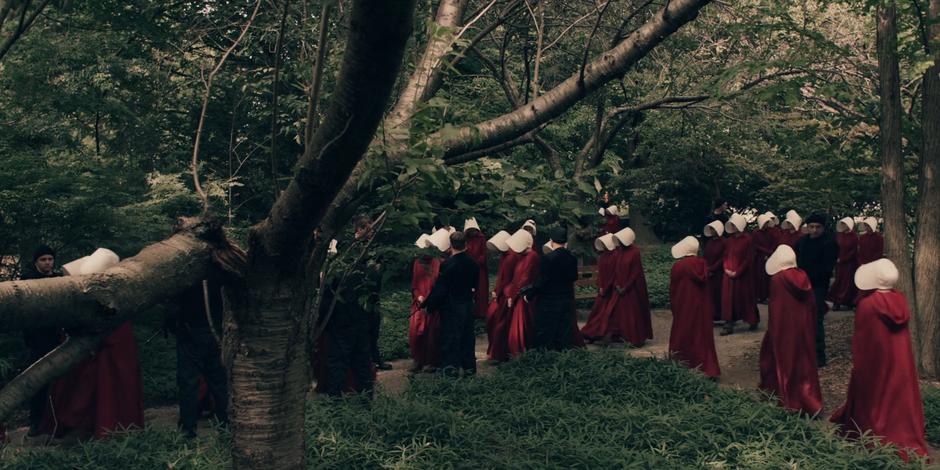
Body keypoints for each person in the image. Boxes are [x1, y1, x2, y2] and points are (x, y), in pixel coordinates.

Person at [40, 248, 145, 440]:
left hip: (107, 353)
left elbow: (115, 335)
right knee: (79, 389)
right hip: (85, 352)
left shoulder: (115, 300)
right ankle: (80, 426)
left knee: (108, 389)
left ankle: (105, 427)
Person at [830, 259, 928, 462]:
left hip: (875, 364)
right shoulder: (900, 300)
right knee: (897, 400)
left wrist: (860, 366)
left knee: (874, 398)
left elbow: (863, 341)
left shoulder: (868, 305)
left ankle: (873, 435)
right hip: (900, 364)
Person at [319, 215, 383, 396]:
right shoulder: (371, 272)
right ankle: (366, 399)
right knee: (361, 363)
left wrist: (324, 322)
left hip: (341, 322)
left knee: (338, 364)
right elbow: (374, 300)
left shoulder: (336, 273)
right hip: (360, 322)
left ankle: (335, 401)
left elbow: (326, 299)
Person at [759, 245, 823, 415]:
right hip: (803, 328)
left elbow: (776, 307)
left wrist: (774, 328)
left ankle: (790, 400)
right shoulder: (804, 277)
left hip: (783, 328)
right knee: (803, 362)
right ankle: (809, 401)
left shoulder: (778, 279)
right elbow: (811, 306)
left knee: (784, 360)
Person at [167, 267, 230, 439]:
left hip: (197, 334)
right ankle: (223, 426)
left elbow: (173, 309)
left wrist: (178, 327)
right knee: (217, 383)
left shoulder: (186, 276)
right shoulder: (219, 273)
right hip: (210, 333)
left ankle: (189, 430)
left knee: (191, 382)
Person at [421, 231, 480, 376]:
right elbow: (475, 284)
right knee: (467, 336)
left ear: (451, 245)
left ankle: (450, 369)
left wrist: (430, 305)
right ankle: (469, 368)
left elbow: (441, 289)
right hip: (467, 303)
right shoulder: (473, 263)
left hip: (452, 305)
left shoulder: (448, 264)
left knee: (450, 337)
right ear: (466, 244)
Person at [19, 244, 63, 437]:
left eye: (50, 259)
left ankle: (58, 421)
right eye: (43, 260)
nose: (47, 263)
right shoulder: (27, 279)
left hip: (58, 336)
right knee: (38, 380)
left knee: (61, 380)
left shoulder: (60, 279)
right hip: (37, 337)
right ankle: (36, 421)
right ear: (36, 262)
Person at [582, 228, 651, 347]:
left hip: (630, 289)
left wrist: (625, 286)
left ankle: (635, 338)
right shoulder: (618, 252)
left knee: (631, 314)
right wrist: (613, 285)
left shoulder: (635, 252)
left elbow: (635, 272)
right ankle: (608, 334)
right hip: (617, 287)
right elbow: (614, 271)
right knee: (613, 313)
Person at [668, 236, 720, 378]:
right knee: (702, 336)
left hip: (684, 305)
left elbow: (673, 289)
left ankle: (683, 365)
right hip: (702, 307)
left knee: (683, 334)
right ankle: (708, 368)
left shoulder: (678, 266)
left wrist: (674, 306)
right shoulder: (703, 264)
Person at [522, 227, 578, 351]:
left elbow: (541, 281)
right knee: (564, 331)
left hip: (549, 300)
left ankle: (544, 359)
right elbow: (574, 277)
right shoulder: (572, 258)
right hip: (566, 298)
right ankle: (562, 358)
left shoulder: (548, 258)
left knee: (546, 331)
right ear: (565, 242)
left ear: (551, 241)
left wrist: (529, 295)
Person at [794, 213, 838, 367]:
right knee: (800, 319)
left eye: (817, 227)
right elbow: (796, 261)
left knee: (815, 319)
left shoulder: (829, 244)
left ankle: (819, 355)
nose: (814, 230)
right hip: (800, 284)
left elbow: (827, 268)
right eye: (811, 227)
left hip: (818, 286)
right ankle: (802, 352)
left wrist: (808, 276)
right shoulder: (801, 242)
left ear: (823, 228)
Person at [720, 214, 758, 335]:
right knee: (728, 299)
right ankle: (728, 323)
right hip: (728, 274)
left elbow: (748, 259)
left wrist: (737, 272)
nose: (732, 227)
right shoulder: (729, 240)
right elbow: (725, 256)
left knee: (744, 298)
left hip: (743, 275)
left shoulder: (748, 240)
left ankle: (752, 320)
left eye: (734, 224)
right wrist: (726, 268)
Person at [408, 233, 441, 372]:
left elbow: (438, 285)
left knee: (432, 334)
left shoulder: (437, 262)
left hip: (432, 304)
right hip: (419, 303)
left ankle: (431, 361)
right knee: (416, 333)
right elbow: (414, 284)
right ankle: (418, 360)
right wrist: (419, 296)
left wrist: (429, 298)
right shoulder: (417, 263)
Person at [505, 229, 539, 356]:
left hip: (524, 296)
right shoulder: (524, 256)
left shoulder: (532, 256)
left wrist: (513, 295)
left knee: (521, 326)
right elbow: (517, 278)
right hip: (519, 294)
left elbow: (524, 279)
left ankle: (521, 352)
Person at [485, 230, 517, 362]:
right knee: (493, 319)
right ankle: (496, 351)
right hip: (501, 293)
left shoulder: (510, 257)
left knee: (499, 323)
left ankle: (499, 353)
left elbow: (507, 278)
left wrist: (497, 292)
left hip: (505, 294)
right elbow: (501, 277)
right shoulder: (506, 256)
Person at [583, 234, 619, 343]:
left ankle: (603, 333)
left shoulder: (615, 256)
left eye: (604, 243)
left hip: (611, 289)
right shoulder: (603, 257)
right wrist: (601, 286)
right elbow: (601, 274)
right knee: (598, 312)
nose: (602, 246)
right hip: (604, 289)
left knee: (607, 313)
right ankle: (592, 333)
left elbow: (614, 274)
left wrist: (605, 286)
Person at [828, 217, 859, 311]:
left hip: (849, 264)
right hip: (839, 264)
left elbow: (853, 251)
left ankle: (850, 302)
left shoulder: (854, 236)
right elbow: (834, 247)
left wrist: (843, 259)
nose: (843, 226)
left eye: (845, 224)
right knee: (839, 282)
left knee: (848, 283)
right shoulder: (839, 235)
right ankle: (836, 301)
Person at [463, 218, 489, 319]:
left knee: (480, 289)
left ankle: (481, 312)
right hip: (467, 267)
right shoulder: (465, 238)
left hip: (479, 267)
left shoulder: (481, 238)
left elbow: (483, 254)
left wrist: (476, 262)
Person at [703, 220, 725, 323]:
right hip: (709, 271)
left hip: (719, 272)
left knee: (719, 294)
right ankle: (713, 315)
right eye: (710, 229)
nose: (711, 231)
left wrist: (713, 268)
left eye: (713, 229)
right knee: (710, 294)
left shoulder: (724, 242)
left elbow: (723, 258)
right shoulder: (709, 242)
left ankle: (721, 315)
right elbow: (705, 256)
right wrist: (706, 268)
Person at [752, 213, 776, 303]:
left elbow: (774, 243)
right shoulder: (756, 233)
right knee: (758, 277)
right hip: (759, 258)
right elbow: (755, 245)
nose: (766, 225)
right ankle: (759, 296)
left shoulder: (771, 232)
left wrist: (769, 253)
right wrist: (765, 251)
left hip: (769, 257)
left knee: (767, 277)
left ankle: (766, 296)